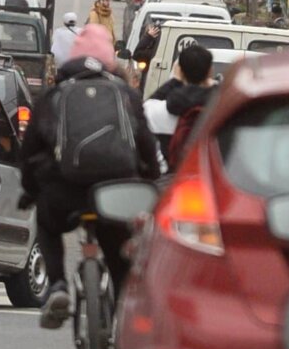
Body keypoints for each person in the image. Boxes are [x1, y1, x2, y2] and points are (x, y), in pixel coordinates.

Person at [18, 53, 162, 327]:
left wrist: (30, 190)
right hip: (115, 192)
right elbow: (146, 144)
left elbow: (29, 153)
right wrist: (148, 179)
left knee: (46, 223)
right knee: (119, 249)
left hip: (66, 192)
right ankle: (123, 313)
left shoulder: (53, 97)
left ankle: (58, 284)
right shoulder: (125, 94)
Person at [148, 39, 216, 169]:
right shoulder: (221, 109)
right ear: (210, 71)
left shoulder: (157, 111)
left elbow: (147, 105)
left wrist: (175, 80)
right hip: (208, 177)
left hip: (172, 179)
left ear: (179, 71)